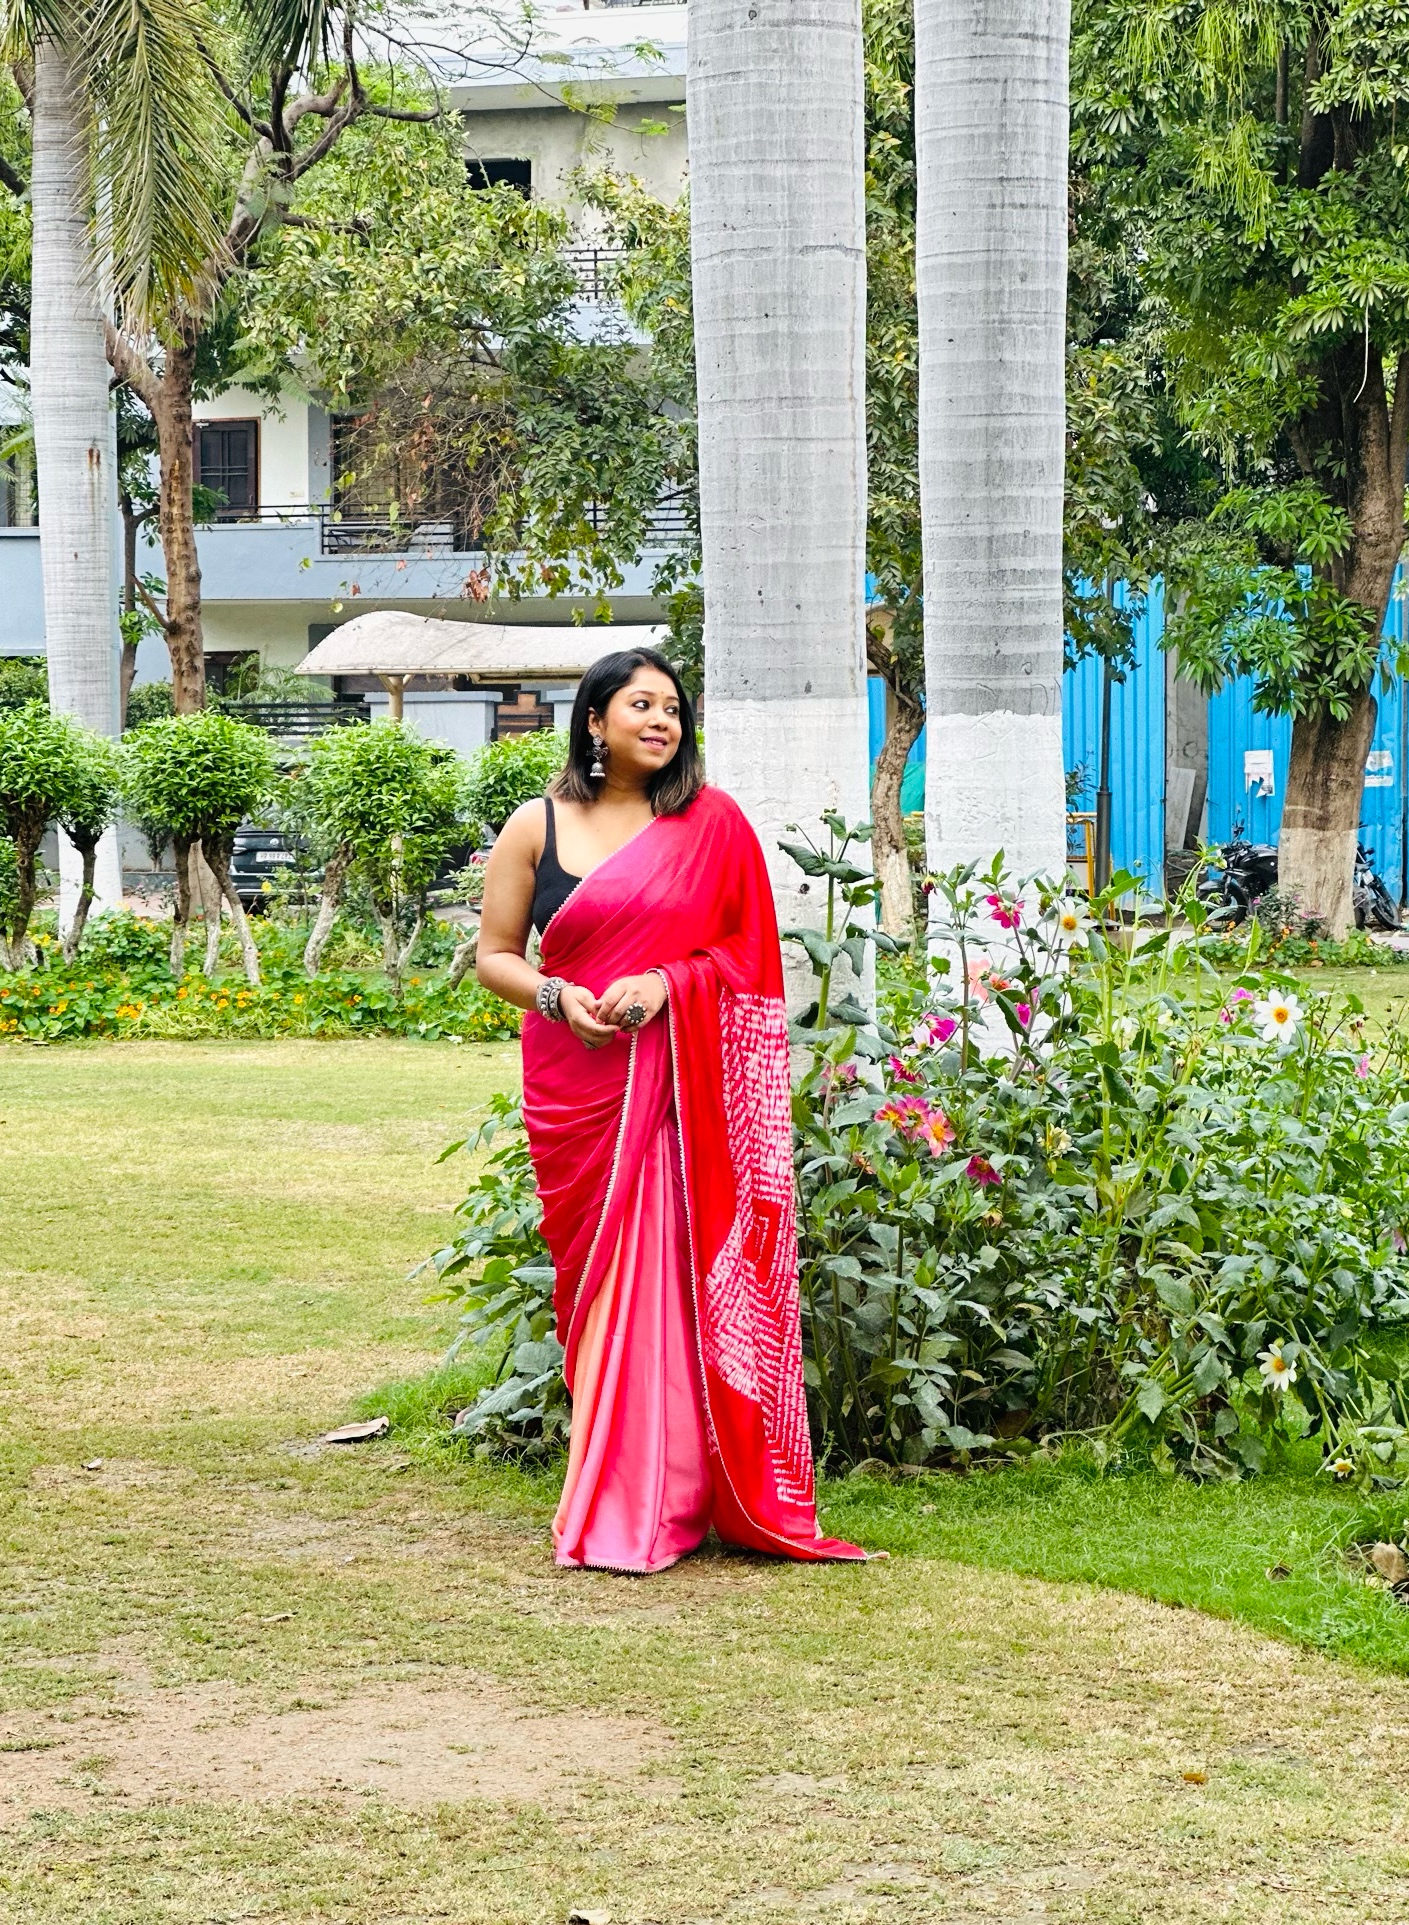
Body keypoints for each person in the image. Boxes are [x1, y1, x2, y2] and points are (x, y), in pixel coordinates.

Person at [476, 646, 866, 1573]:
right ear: (594, 719)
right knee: (605, 1285)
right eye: (640, 704)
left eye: (672, 708)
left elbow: (748, 955)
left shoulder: (709, 823)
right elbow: (496, 954)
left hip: (681, 1093)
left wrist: (666, 983)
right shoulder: (535, 825)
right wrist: (556, 996)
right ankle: (622, 1488)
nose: (661, 721)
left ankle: (670, 1493)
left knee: (667, 1278)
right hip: (579, 1087)